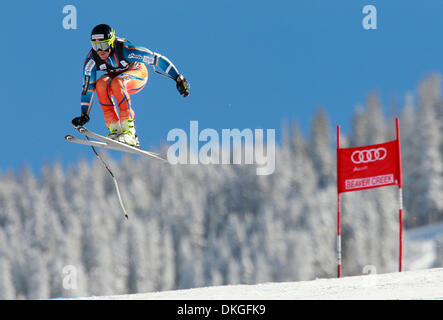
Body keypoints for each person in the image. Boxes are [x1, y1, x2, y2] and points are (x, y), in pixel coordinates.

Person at [72, 24, 190, 147]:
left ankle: (129, 132)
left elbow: (157, 59)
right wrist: (84, 114)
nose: (100, 51)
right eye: (96, 46)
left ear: (111, 42)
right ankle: (115, 129)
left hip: (138, 73)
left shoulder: (125, 50)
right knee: (101, 84)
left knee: (117, 82)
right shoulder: (91, 61)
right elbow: (87, 88)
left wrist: (178, 78)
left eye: (103, 45)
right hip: (116, 77)